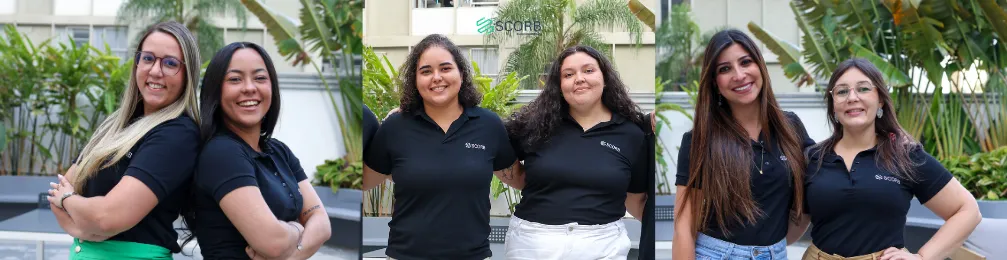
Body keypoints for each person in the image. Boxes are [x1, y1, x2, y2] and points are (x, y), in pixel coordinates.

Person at [795, 58, 981, 260]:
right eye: (841, 91)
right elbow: (794, 221)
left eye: (863, 89)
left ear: (880, 99)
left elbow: (968, 210)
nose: (852, 97)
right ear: (833, 106)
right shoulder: (812, 158)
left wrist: (921, 257)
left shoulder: (905, 156)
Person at [45, 21, 201, 259]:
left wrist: (69, 200)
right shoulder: (114, 126)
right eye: (148, 58)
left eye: (170, 63)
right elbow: (59, 191)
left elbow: (106, 217)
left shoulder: (178, 134)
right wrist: (82, 228)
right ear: (137, 63)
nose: (156, 71)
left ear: (188, 74)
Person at [362, 34, 517, 260]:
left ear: (461, 74)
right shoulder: (395, 127)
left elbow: (519, 178)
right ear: (415, 80)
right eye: (425, 71)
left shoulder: (489, 125)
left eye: (445, 68)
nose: (436, 78)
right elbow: (364, 181)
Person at [672, 29, 815, 260]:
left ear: (760, 66)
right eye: (725, 69)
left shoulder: (791, 128)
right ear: (715, 83)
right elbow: (684, 227)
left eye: (746, 62)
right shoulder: (700, 139)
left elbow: (814, 191)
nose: (739, 75)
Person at [502, 45, 651, 259]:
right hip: (532, 243)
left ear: (605, 77)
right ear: (559, 85)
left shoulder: (632, 134)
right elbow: (498, 156)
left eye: (588, 70)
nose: (579, 78)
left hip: (603, 245)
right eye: (568, 74)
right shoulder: (535, 125)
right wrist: (523, 179)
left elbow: (636, 200)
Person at [185, 42, 331, 259]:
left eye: (260, 78)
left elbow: (322, 223)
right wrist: (299, 229)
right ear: (216, 90)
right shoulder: (222, 153)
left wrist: (291, 254)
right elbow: (272, 242)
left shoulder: (279, 151)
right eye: (235, 79)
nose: (249, 88)